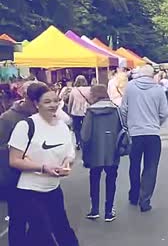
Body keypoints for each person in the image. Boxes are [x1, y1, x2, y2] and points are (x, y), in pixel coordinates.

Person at [8, 86, 78, 246]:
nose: (53, 105)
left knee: (63, 230)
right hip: (29, 191)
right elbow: (14, 160)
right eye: (47, 101)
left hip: (53, 189)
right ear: (36, 103)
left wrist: (67, 164)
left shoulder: (62, 126)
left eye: (56, 100)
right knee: (43, 234)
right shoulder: (25, 126)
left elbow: (70, 153)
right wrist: (43, 168)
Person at [0, 82, 47, 246]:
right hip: (16, 178)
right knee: (18, 220)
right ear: (30, 99)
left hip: (40, 177)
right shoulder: (8, 118)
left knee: (41, 221)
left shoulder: (45, 116)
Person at [120, 65, 168, 212]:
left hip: (135, 133)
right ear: (152, 75)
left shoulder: (130, 87)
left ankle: (134, 195)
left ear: (139, 74)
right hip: (153, 134)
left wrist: (127, 125)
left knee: (134, 165)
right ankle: (145, 200)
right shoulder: (159, 89)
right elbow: (164, 113)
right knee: (151, 167)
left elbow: (123, 109)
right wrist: (156, 124)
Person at [81, 85, 122, 222]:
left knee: (94, 179)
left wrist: (84, 151)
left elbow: (85, 135)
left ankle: (94, 210)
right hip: (112, 151)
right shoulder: (116, 110)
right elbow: (122, 129)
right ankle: (109, 211)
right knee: (111, 180)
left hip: (94, 152)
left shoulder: (90, 111)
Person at [68, 75, 91, 149]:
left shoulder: (74, 90)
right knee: (86, 127)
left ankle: (78, 142)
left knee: (77, 128)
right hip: (86, 111)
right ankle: (86, 141)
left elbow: (70, 102)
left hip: (76, 112)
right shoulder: (89, 89)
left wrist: (69, 111)